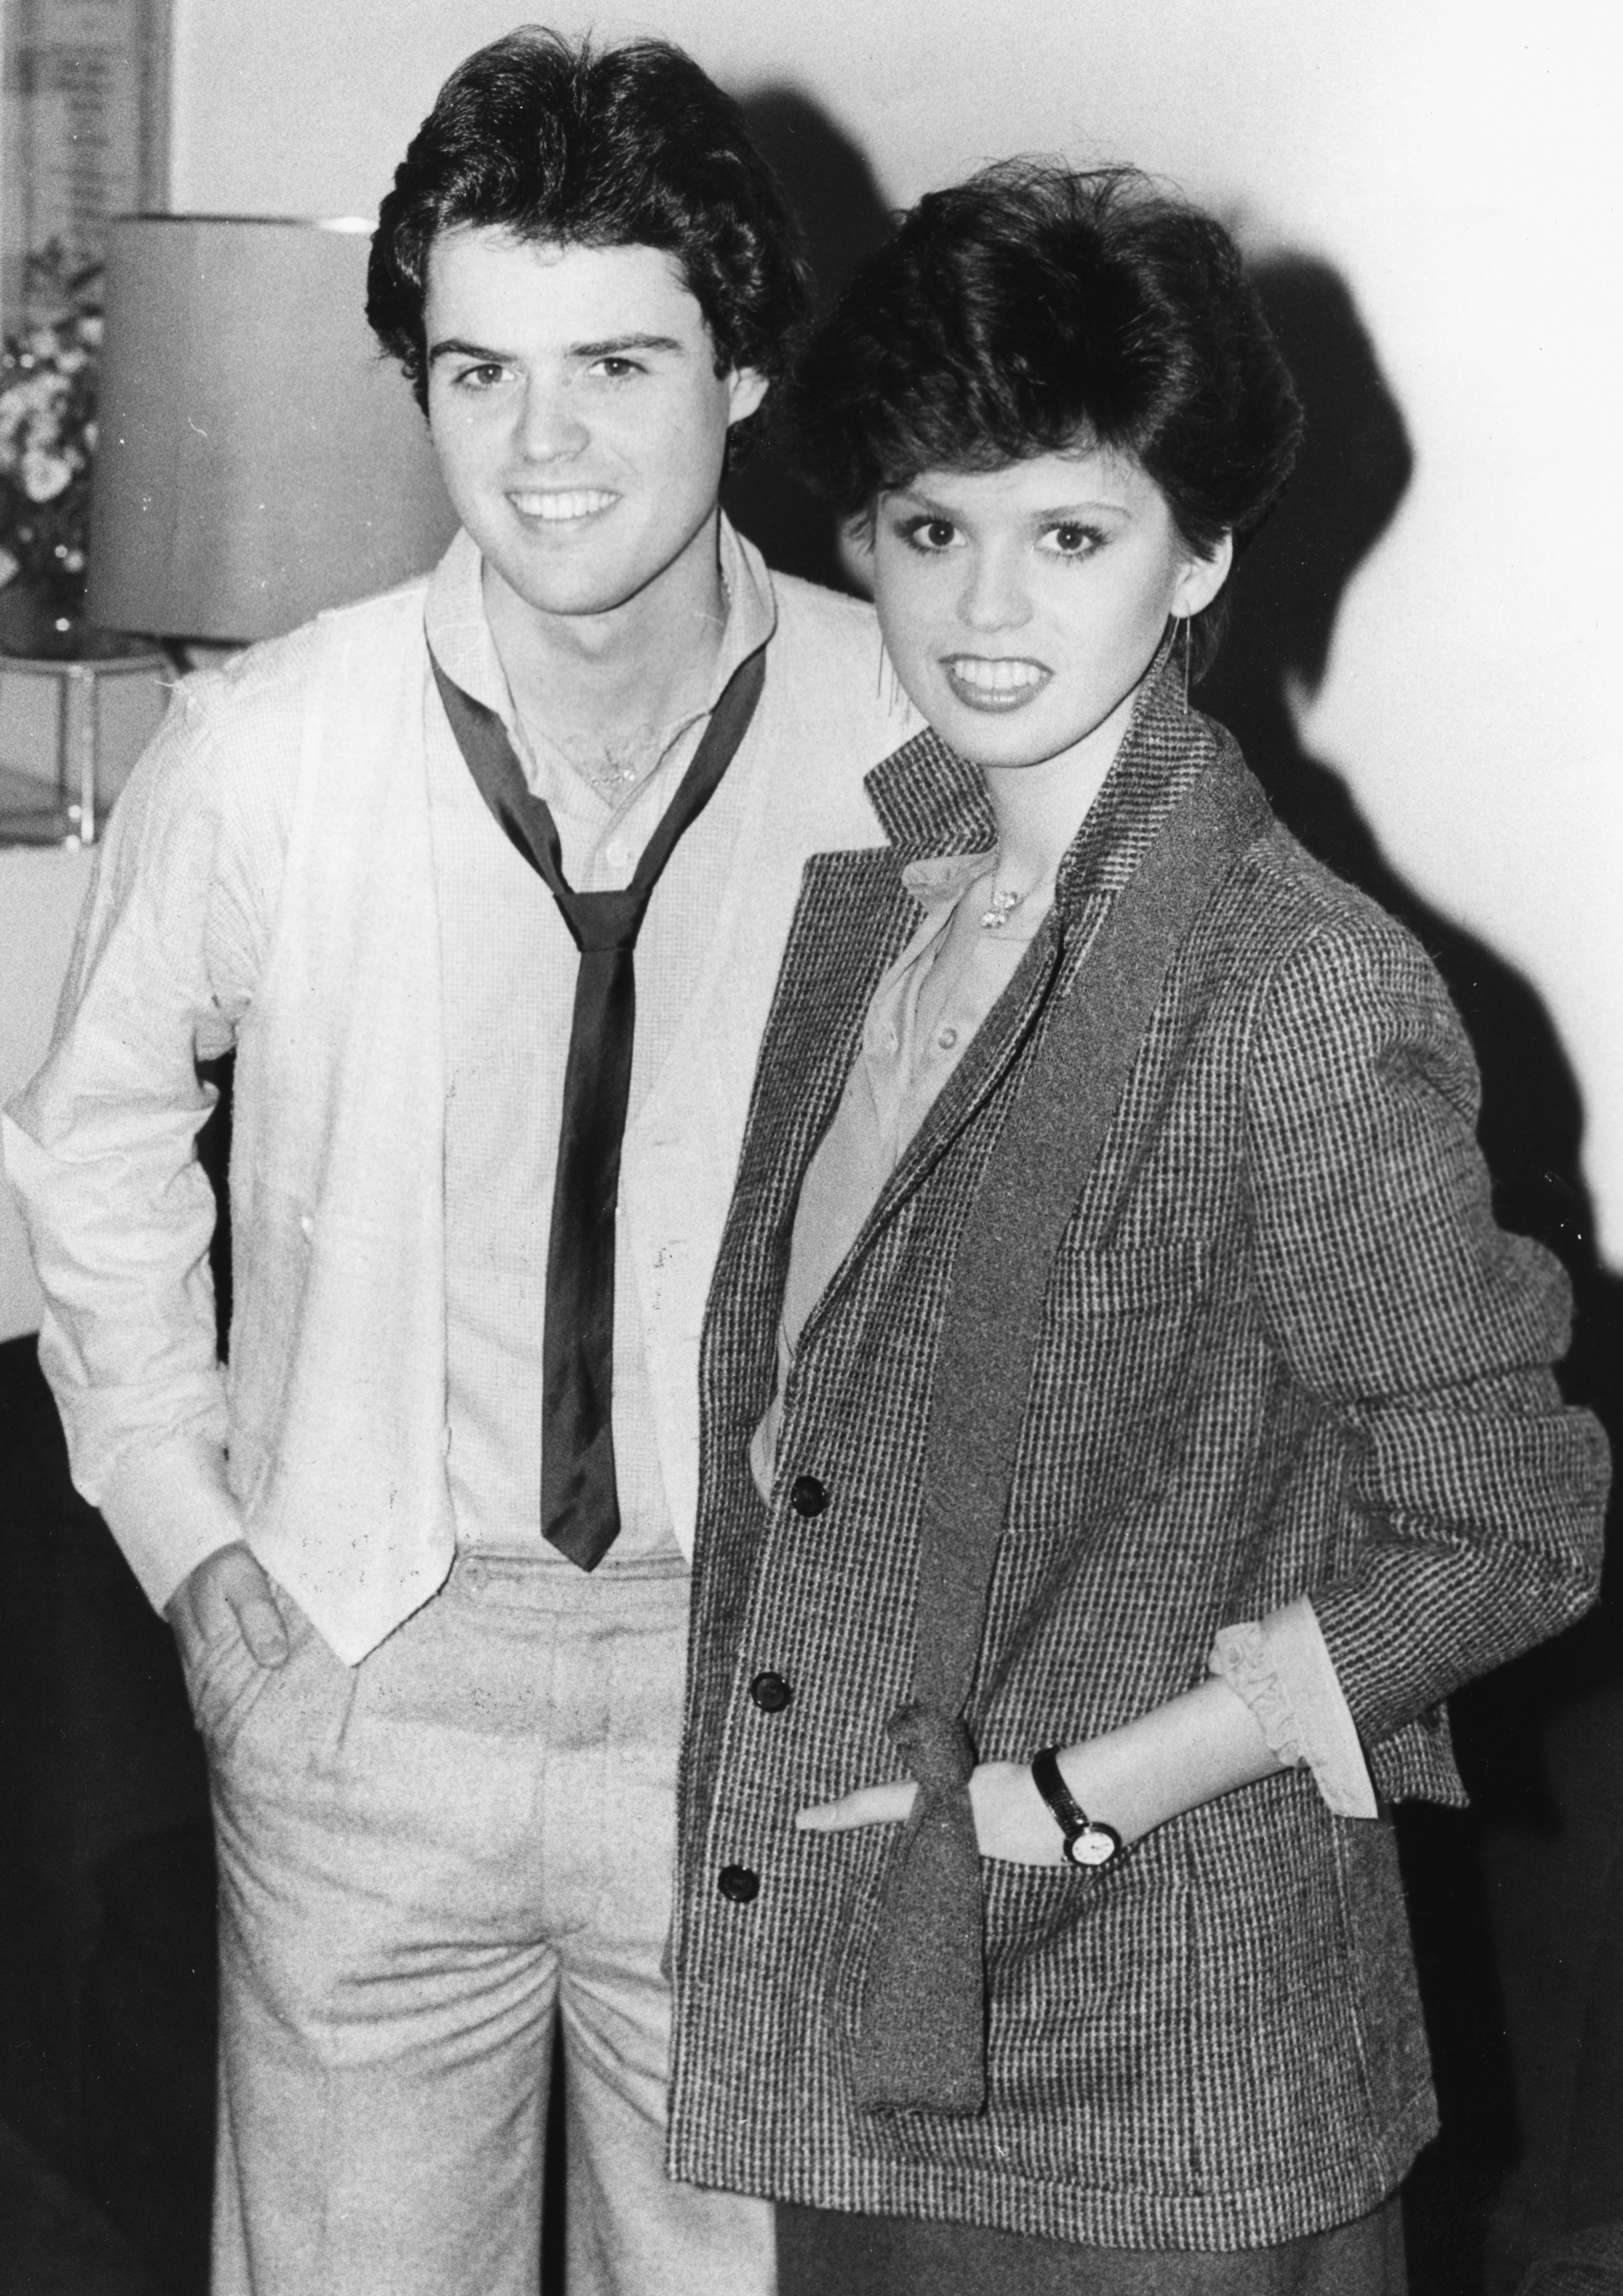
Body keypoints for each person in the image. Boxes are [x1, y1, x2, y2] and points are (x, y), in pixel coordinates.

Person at [1, 28, 914, 2296]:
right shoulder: (268, 745)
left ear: (740, 374)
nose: (541, 446)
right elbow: (90, 1133)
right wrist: (201, 1548)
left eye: (617, 361)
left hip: (744, 1696)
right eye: (478, 370)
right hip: (365, 1678)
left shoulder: (904, 737)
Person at [666, 163, 1611, 2293]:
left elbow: (1506, 1517)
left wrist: (1077, 1794)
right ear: (858, 545)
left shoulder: (1290, 983)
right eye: (931, 527)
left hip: (1158, 2076)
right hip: (885, 2022)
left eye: (1068, 533)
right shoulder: (877, 928)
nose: (984, 607)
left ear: (1194, 557)